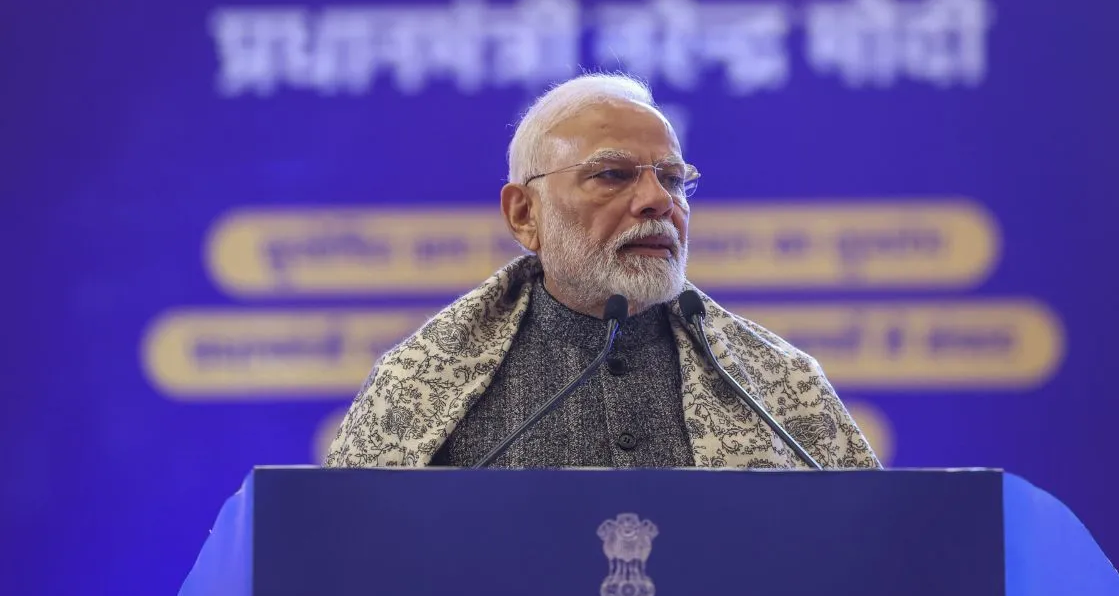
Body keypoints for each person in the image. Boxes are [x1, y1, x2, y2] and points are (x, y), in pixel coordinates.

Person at [324, 72, 880, 470]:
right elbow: (352, 574)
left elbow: (869, 563)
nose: (658, 201)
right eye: (613, 175)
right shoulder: (422, 387)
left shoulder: (781, 384)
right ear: (524, 213)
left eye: (673, 178)